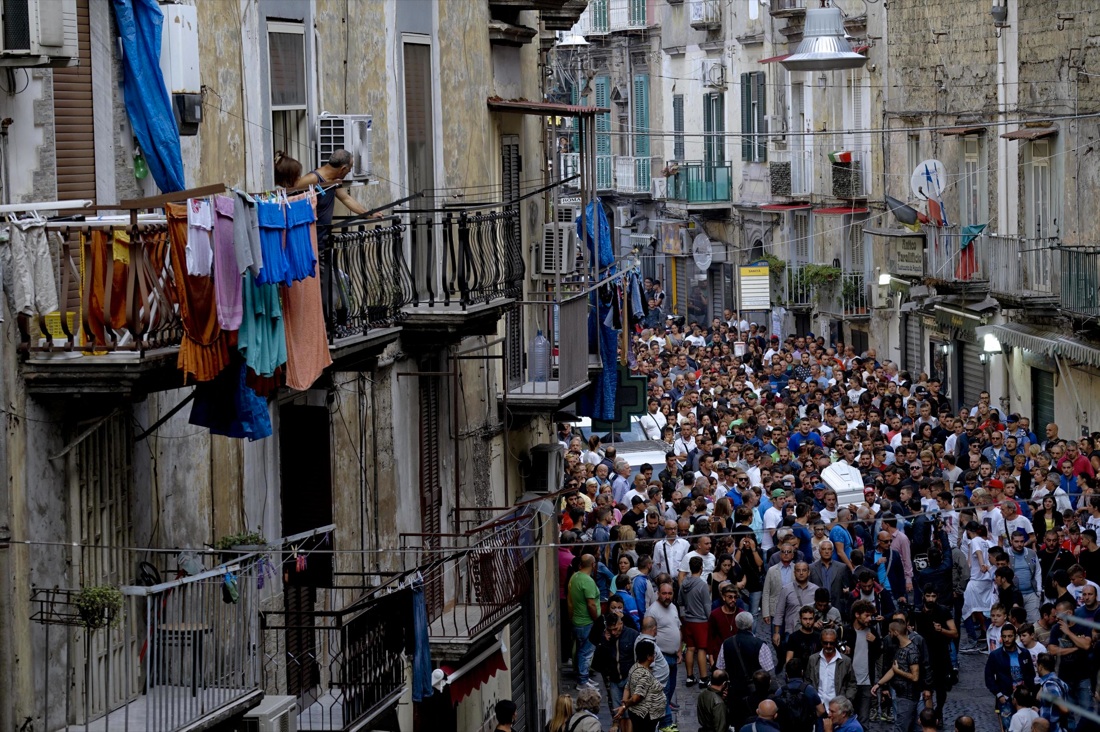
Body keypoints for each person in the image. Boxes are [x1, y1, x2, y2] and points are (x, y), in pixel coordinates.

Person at [870, 620, 921, 732]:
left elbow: (915, 676)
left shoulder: (911, 651)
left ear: (896, 632)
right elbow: (893, 670)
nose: (889, 635)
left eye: (890, 632)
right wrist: (879, 684)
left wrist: (898, 671)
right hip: (901, 695)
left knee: (901, 727)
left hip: (908, 697)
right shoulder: (899, 648)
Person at [985, 623, 1037, 732]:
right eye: (1004, 637)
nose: (1007, 639)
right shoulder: (995, 655)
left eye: (1010, 636)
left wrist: (1030, 694)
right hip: (1006, 697)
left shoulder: (1024, 653)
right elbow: (988, 677)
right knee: (1008, 728)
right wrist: (999, 695)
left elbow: (1031, 674)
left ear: (1015, 636)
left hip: (1023, 697)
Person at [593, 611, 640, 716]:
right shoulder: (606, 637)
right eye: (611, 630)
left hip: (629, 678)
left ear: (621, 624)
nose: (614, 633)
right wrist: (605, 642)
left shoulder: (632, 635)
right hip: (614, 679)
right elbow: (598, 662)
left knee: (629, 713)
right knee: (618, 713)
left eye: (615, 629)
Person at [615, 640, 667, 732]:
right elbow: (636, 697)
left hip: (638, 714)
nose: (655, 655)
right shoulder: (644, 674)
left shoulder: (634, 667)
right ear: (648, 657)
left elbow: (627, 687)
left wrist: (624, 705)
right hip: (645, 716)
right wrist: (624, 706)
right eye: (653, 653)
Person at [568, 554, 601, 690]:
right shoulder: (587, 581)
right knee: (585, 652)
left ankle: (584, 677)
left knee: (581, 650)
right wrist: (597, 620)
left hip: (577, 620)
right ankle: (582, 681)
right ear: (593, 565)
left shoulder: (574, 577)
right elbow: (591, 604)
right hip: (587, 622)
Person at [805, 627, 858, 710]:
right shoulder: (813, 659)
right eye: (825, 643)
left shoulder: (845, 661)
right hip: (817, 707)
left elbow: (852, 684)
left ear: (836, 642)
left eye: (831, 643)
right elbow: (807, 681)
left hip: (838, 709)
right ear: (821, 642)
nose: (828, 646)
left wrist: (846, 701)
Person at [679, 555, 711, 686]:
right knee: (702, 649)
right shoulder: (702, 585)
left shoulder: (683, 584)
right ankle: (703, 678)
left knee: (690, 649)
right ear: (701, 568)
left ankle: (690, 676)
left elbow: (680, 602)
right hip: (701, 621)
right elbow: (707, 606)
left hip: (688, 620)